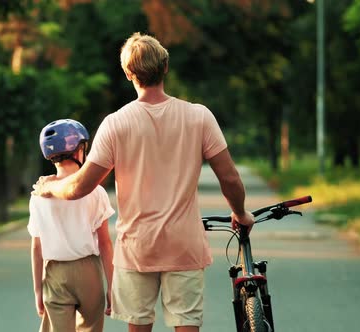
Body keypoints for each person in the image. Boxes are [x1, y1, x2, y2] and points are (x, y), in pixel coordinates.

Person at [32, 32, 254, 332]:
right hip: (184, 247)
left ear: (128, 74)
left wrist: (49, 187)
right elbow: (229, 177)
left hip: (137, 249)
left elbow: (79, 187)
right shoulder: (199, 117)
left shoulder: (116, 123)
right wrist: (240, 213)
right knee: (187, 325)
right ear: (165, 68)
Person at [28, 119, 115, 332]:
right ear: (78, 151)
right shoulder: (95, 191)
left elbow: (37, 248)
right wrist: (112, 286)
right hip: (89, 273)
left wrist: (38, 290)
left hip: (55, 273)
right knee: (91, 328)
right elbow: (104, 243)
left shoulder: (39, 195)